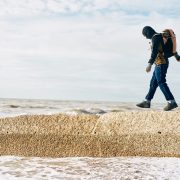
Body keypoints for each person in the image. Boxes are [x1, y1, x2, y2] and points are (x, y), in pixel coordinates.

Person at [136, 26, 179, 111]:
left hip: (161, 63)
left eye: (145, 35)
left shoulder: (155, 38)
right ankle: (147, 101)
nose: (145, 37)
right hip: (160, 63)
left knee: (161, 82)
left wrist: (149, 64)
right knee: (153, 83)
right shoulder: (159, 36)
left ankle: (171, 102)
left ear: (148, 32)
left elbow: (155, 52)